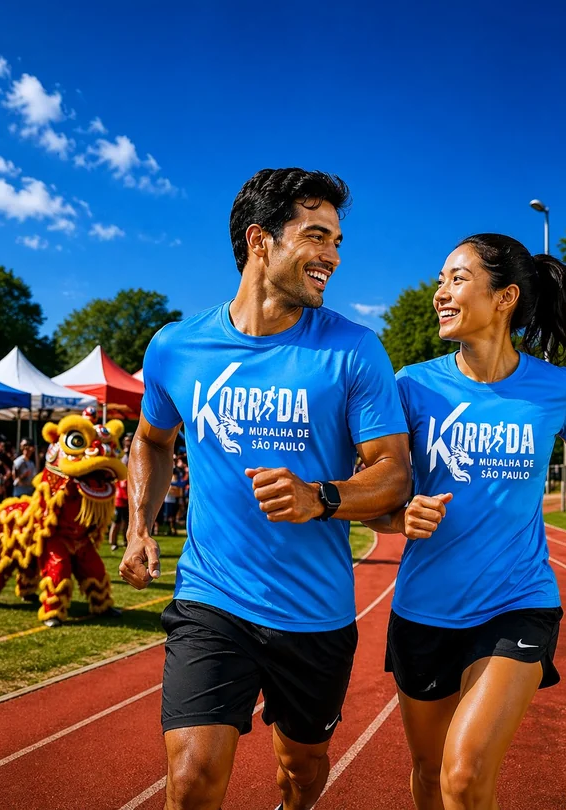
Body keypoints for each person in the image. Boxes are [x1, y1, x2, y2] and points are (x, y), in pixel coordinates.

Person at [119, 168, 411, 810]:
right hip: (212, 598)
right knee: (192, 778)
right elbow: (152, 439)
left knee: (301, 771)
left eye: (337, 240)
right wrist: (140, 525)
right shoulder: (175, 346)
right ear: (260, 241)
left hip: (316, 614)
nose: (332, 256)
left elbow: (394, 475)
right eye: (316, 236)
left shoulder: (355, 350)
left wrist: (321, 499)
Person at [367, 233, 566, 810]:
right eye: (439, 281)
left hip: (517, 602)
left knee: (466, 773)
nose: (440, 293)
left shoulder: (557, 389)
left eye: (457, 278)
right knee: (429, 776)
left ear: (504, 298)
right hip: (422, 610)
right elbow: (376, 501)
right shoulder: (411, 386)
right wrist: (398, 515)